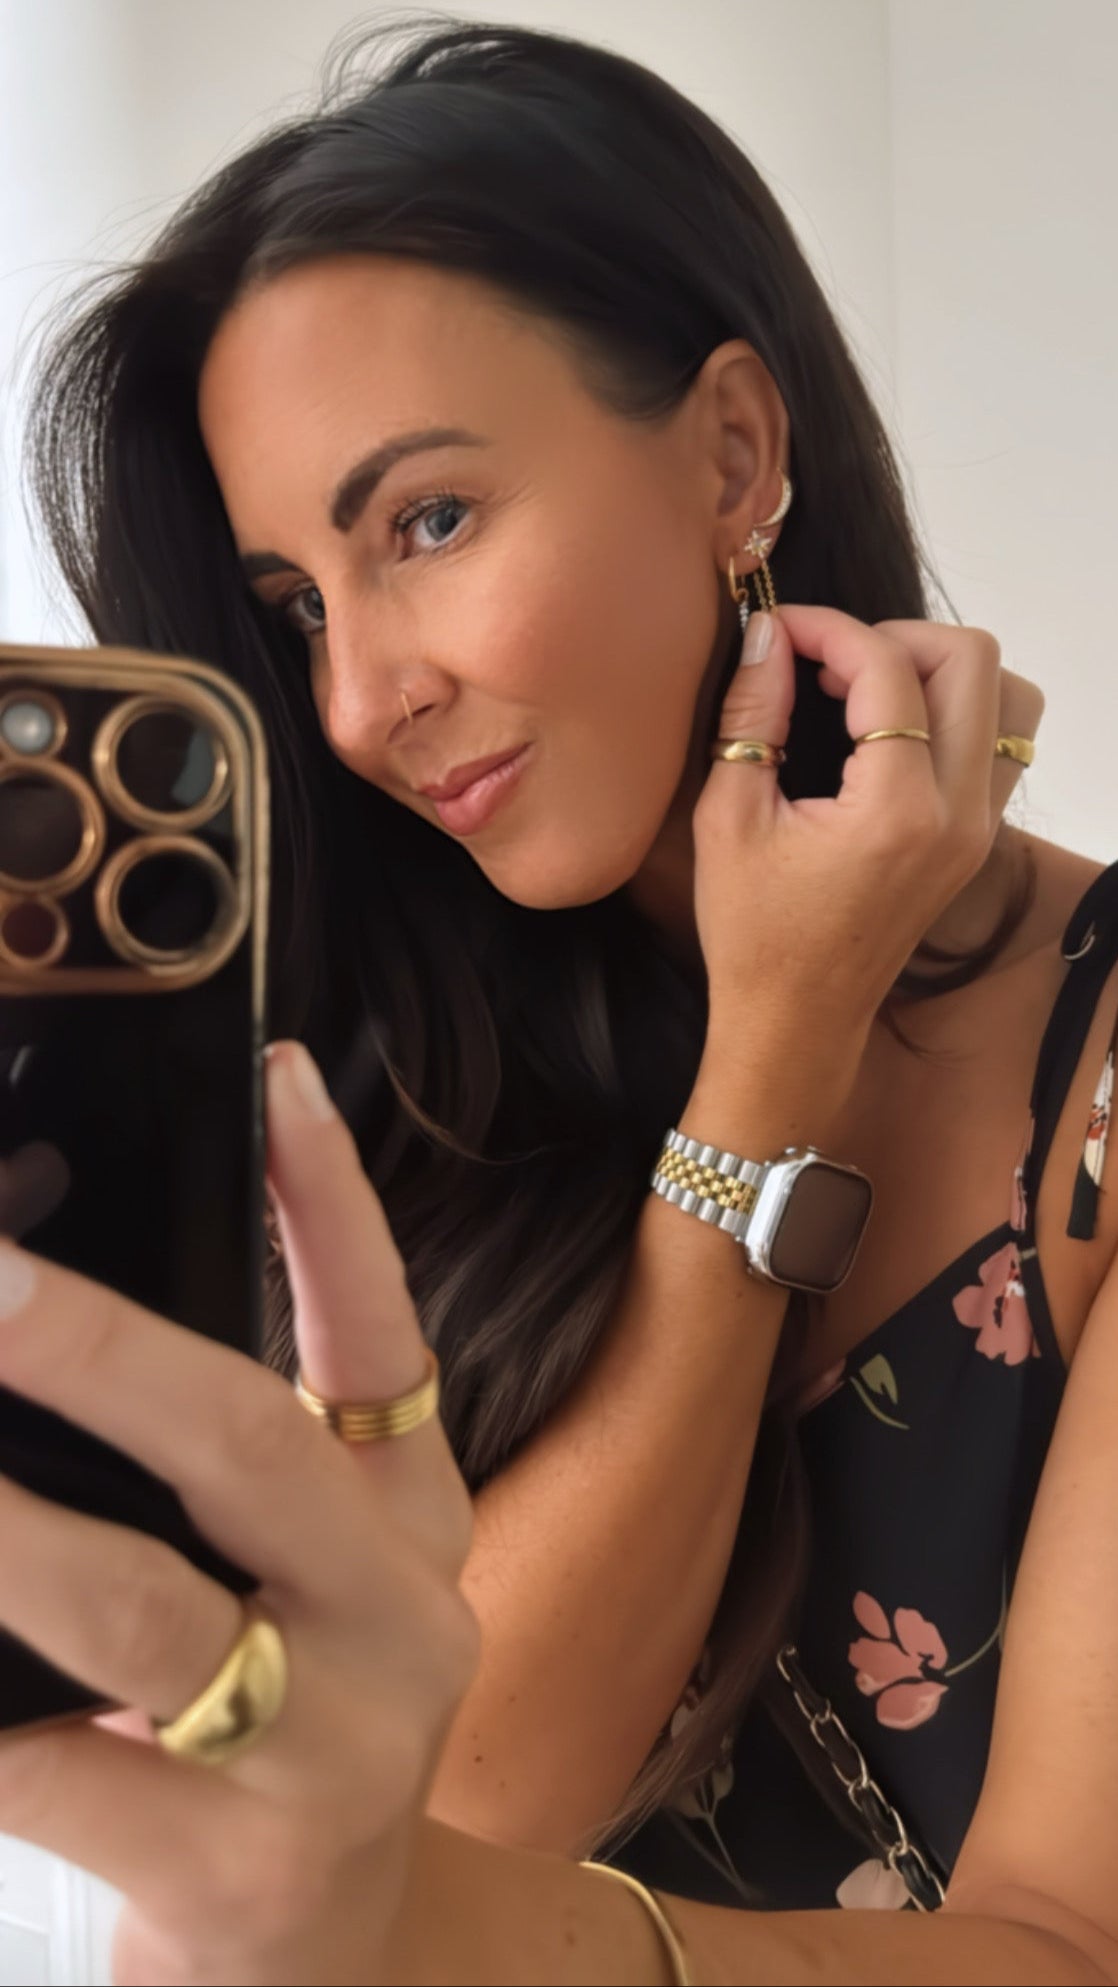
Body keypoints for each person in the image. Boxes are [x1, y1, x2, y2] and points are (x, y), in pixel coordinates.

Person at [6, 15, 1115, 1980]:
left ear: (733, 453)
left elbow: (1063, 1939)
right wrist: (772, 1058)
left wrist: (782, 1041)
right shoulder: (392, 1091)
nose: (358, 704)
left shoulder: (1089, 1069)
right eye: (296, 612)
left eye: (424, 522)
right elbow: (429, 1809)